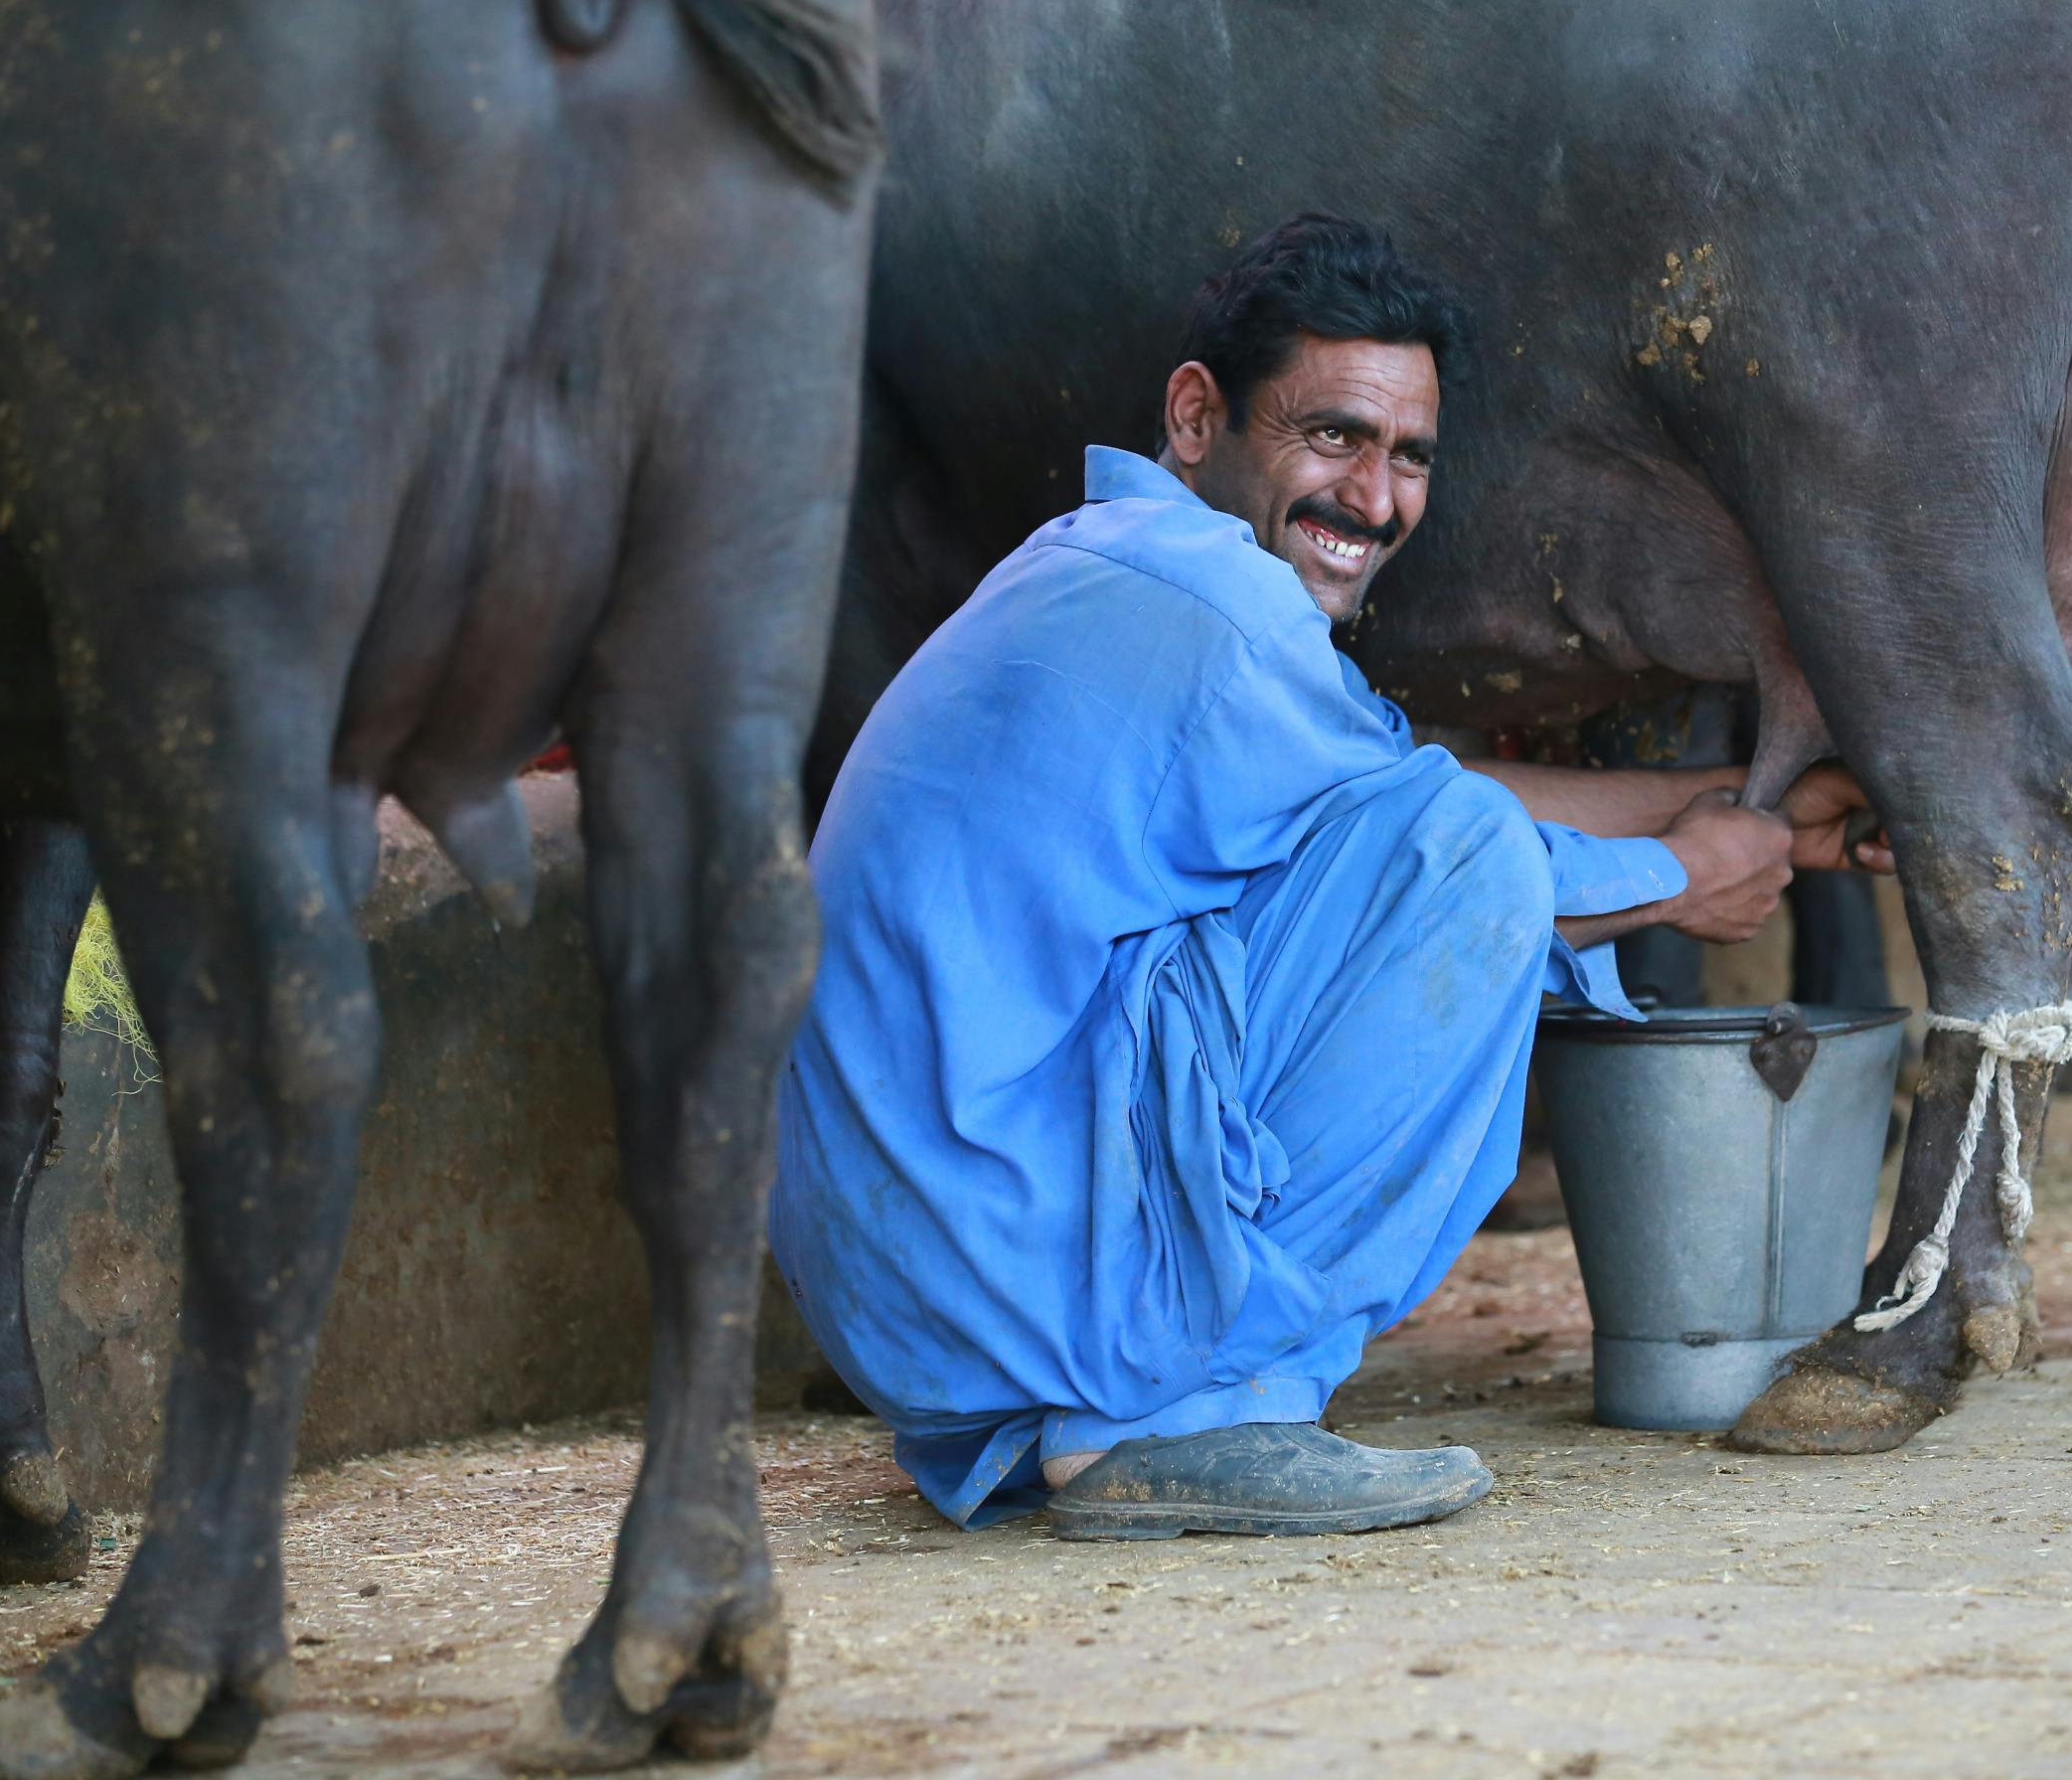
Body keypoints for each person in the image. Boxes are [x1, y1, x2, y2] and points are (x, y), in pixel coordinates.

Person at [772, 214, 1886, 1539]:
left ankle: (1109, 1414)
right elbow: (1454, 844)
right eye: (1332, 436)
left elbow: (1403, 797)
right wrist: (1675, 879)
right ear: (1198, 417)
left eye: (1410, 455)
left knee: (1450, 841)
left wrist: (1759, 820)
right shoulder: (1220, 610)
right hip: (998, 1237)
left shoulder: (1125, 569)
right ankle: (1185, 1416)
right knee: (1473, 865)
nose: (1375, 499)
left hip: (923, 1282)